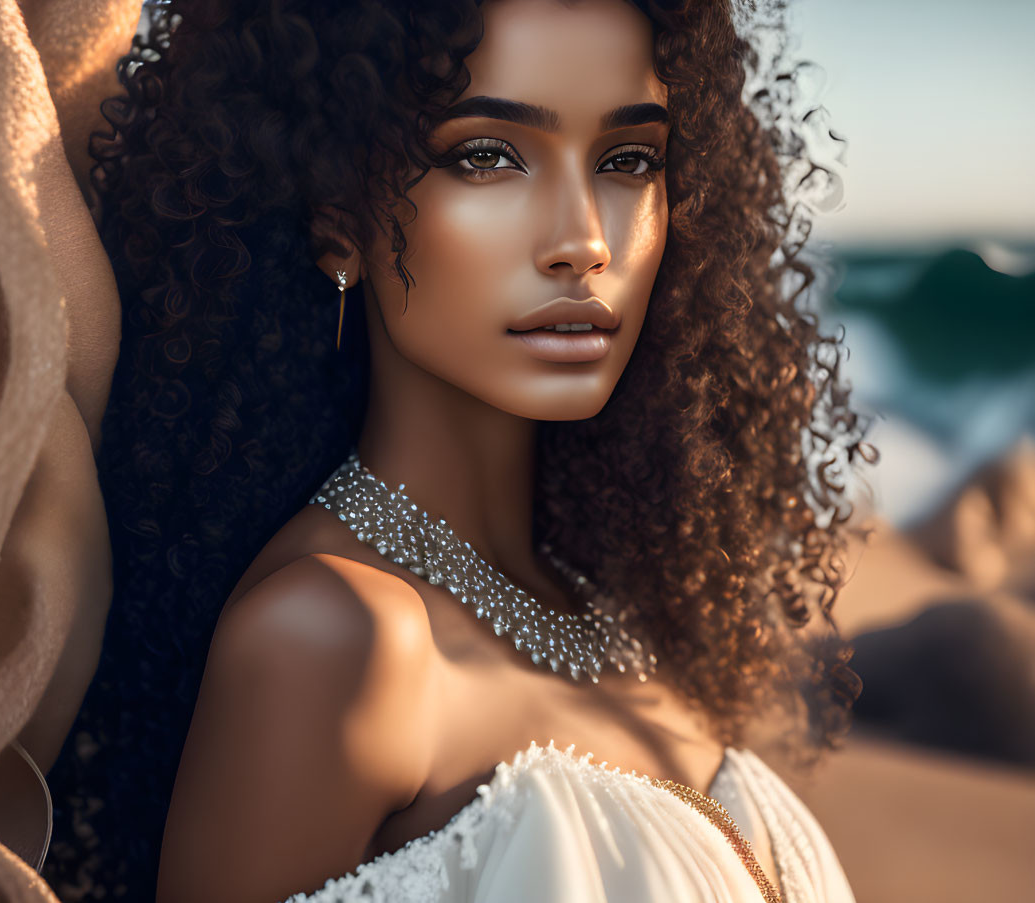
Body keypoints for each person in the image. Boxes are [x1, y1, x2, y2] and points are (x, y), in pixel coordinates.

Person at [62, 0, 867, 901]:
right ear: (337, 222)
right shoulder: (330, 637)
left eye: (627, 160)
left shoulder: (618, 606)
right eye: (486, 155)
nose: (582, 243)